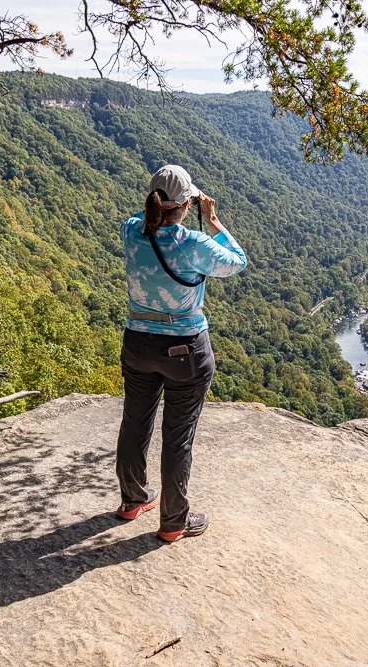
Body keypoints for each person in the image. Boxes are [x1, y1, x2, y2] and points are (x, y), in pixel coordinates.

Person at [116, 164, 248, 542]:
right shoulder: (194, 243)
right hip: (184, 349)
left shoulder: (130, 231)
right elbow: (237, 262)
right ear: (187, 204)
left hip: (138, 341)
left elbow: (144, 218)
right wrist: (215, 221)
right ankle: (173, 522)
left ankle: (132, 501)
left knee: (134, 422)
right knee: (177, 437)